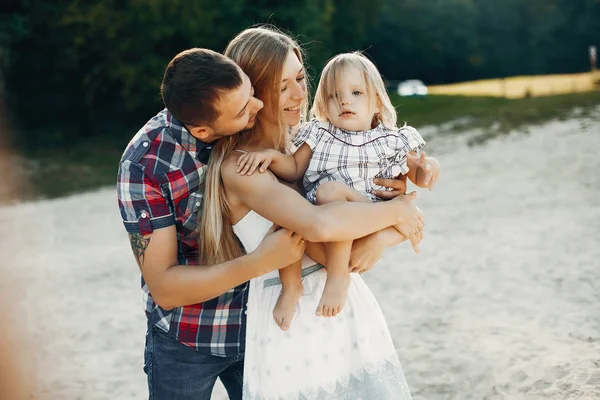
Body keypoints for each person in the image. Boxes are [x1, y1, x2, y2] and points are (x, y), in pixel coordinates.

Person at [117, 45, 418, 398]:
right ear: (204, 130)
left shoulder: (304, 140)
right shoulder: (149, 163)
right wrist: (397, 213)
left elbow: (348, 230)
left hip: (267, 324)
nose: (257, 106)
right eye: (250, 103)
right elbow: (165, 288)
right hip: (193, 329)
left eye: (300, 78)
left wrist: (389, 214)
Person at [199, 26, 419, 399]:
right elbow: (320, 229)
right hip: (291, 319)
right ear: (250, 93)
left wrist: (386, 229)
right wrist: (396, 213)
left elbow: (397, 221)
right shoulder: (241, 166)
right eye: (282, 85)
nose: (300, 94)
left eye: (300, 78)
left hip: (346, 305)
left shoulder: (317, 142)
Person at [236, 52, 441, 321]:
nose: (344, 100)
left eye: (356, 92)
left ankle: (337, 276)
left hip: (363, 214)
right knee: (287, 216)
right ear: (324, 103)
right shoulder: (320, 133)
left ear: (377, 102)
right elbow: (294, 167)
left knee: (330, 191)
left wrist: (426, 171)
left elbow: (419, 170)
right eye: (334, 95)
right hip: (325, 218)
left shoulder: (390, 139)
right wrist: (272, 157)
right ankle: (291, 287)